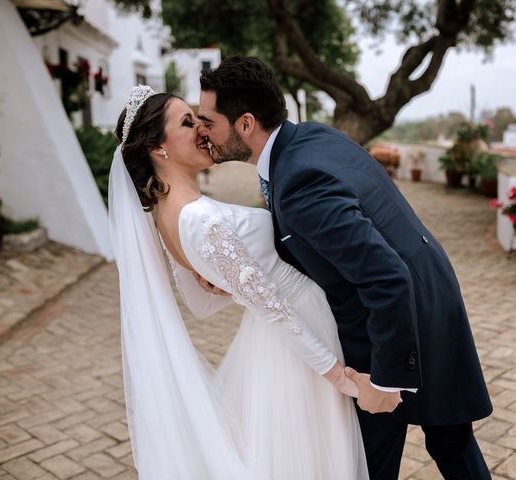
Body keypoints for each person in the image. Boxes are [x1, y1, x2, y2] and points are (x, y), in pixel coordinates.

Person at [197, 56, 494, 480]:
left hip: (393, 325)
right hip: (430, 289)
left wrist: (386, 383)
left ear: (245, 123)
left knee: (371, 465)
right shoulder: (309, 138)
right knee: (450, 442)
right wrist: (237, 275)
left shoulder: (299, 183)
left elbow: (386, 276)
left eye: (208, 120)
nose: (203, 130)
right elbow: (319, 247)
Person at [108, 85, 369, 479]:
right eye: (186, 122)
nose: (202, 128)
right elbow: (274, 309)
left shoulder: (168, 215)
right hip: (298, 339)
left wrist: (231, 285)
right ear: (157, 148)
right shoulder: (198, 218)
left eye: (197, 117)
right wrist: (337, 375)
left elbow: (202, 304)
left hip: (276, 340)